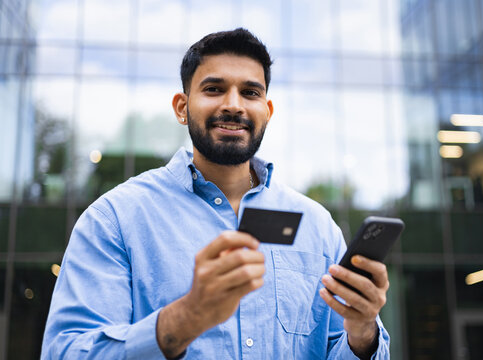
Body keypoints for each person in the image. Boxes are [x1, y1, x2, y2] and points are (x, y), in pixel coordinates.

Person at [41, 28, 390, 359]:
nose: (234, 105)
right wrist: (186, 317)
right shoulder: (115, 218)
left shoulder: (317, 225)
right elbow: (66, 351)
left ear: (266, 112)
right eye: (214, 89)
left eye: (251, 92)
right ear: (182, 107)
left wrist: (362, 334)